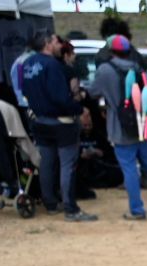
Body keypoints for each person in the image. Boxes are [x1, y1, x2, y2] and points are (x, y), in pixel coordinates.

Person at [92, 35, 147, 220]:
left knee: (129, 169)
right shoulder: (138, 66)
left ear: (110, 50)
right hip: (142, 125)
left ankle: (137, 210)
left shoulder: (105, 70)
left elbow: (93, 91)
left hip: (120, 128)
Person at [21, 32, 95, 222]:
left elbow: (25, 92)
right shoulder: (52, 65)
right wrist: (78, 108)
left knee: (46, 163)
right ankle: (71, 208)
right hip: (61, 122)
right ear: (47, 44)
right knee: (67, 164)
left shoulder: (28, 64)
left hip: (39, 121)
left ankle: (51, 203)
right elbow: (60, 97)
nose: (59, 45)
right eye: (55, 41)